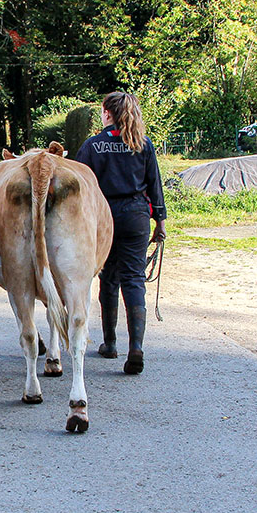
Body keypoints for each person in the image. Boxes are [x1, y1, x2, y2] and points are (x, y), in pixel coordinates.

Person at [75, 92, 167, 375]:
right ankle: (136, 347)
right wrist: (160, 221)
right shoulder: (143, 145)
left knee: (108, 278)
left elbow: (79, 185)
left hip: (104, 218)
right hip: (137, 217)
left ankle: (110, 343)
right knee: (134, 279)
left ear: (107, 114)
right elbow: (155, 184)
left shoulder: (93, 146)